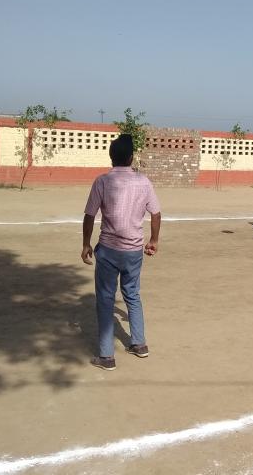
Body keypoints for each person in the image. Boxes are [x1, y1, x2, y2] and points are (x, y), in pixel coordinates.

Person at [81, 134, 161, 371]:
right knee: (132, 294)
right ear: (131, 157)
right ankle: (139, 344)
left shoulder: (102, 181)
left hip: (108, 250)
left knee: (106, 299)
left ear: (111, 157)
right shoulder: (143, 182)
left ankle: (106, 356)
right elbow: (156, 213)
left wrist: (86, 244)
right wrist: (154, 240)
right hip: (133, 251)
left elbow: (89, 215)